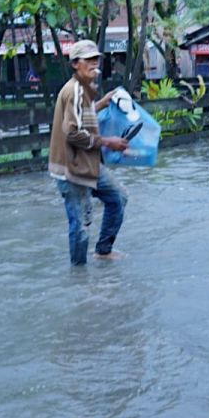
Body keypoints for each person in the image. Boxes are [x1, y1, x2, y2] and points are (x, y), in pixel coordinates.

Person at [49, 40, 129, 265]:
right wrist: (108, 142)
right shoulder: (74, 91)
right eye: (89, 60)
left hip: (87, 163)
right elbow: (72, 134)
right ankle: (79, 275)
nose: (94, 64)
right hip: (70, 169)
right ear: (75, 64)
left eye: (96, 59)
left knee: (118, 197)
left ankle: (103, 251)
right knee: (81, 225)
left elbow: (80, 116)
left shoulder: (82, 88)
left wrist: (103, 103)